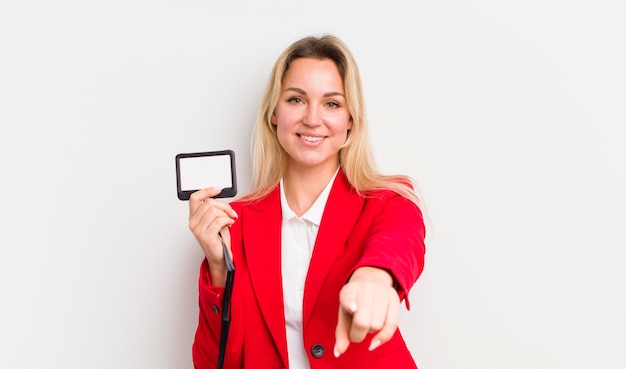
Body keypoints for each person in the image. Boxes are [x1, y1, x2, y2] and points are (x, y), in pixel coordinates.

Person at [188, 34, 426, 369]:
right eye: (296, 100)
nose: (312, 119)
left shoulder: (389, 202)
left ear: (350, 122)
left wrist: (374, 277)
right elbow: (214, 363)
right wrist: (218, 265)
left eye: (332, 104)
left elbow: (399, 243)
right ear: (274, 113)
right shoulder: (233, 222)